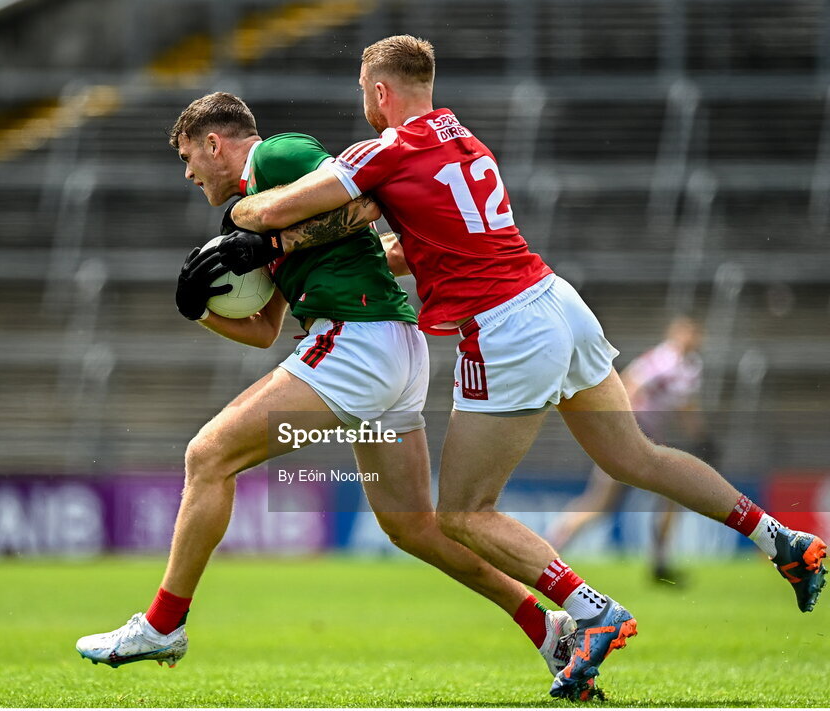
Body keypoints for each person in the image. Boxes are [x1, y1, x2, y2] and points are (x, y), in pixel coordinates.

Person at [219, 36, 828, 700]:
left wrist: (241, 217)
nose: (365, 106)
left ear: (380, 93)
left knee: (462, 512)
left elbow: (274, 208)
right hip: (558, 301)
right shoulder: (463, 138)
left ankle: (593, 611)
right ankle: (783, 539)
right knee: (637, 456)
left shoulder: (386, 150)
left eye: (365, 94)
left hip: (506, 328)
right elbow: (417, 247)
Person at [74, 92, 583, 683]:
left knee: (207, 456)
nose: (188, 174)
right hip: (392, 346)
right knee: (412, 525)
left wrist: (272, 242)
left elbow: (367, 204)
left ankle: (164, 625)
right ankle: (547, 629)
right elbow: (266, 330)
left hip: (358, 341)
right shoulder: (255, 208)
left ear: (216, 144)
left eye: (189, 158)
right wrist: (202, 312)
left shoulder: (277, 156)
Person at [547, 316, 711, 582]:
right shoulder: (664, 360)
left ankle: (659, 561)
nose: (690, 339)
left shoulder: (687, 366)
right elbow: (629, 384)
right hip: (635, 431)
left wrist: (701, 435)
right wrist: (621, 425)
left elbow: (686, 405)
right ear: (674, 333)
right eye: (686, 333)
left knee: (670, 495)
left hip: (647, 434)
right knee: (603, 503)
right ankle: (552, 546)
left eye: (694, 334)